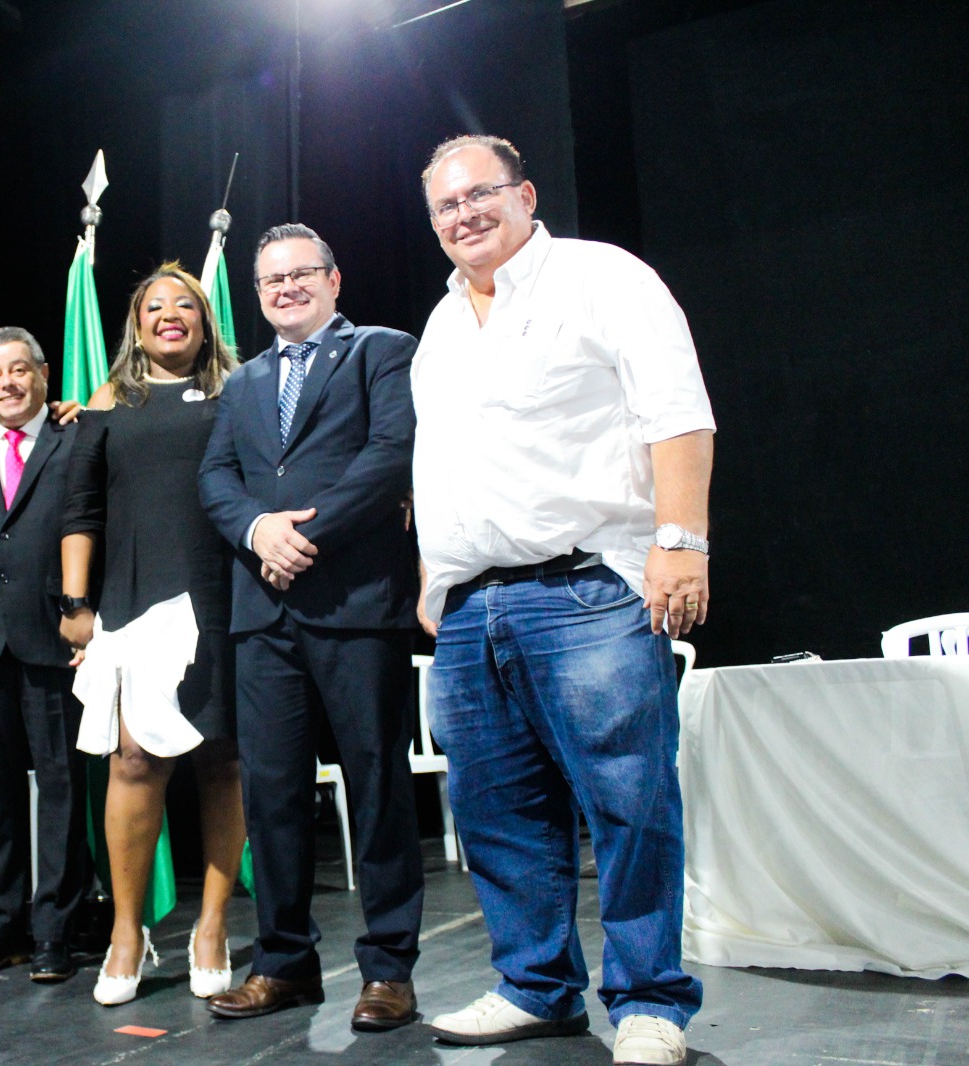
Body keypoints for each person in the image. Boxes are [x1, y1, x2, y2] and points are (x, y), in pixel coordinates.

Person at [412, 135, 713, 1066]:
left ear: (526, 194)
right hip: (471, 607)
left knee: (628, 802)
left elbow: (677, 411)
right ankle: (535, 986)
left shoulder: (602, 278)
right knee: (498, 815)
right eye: (446, 205)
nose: (464, 214)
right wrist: (433, 578)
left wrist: (681, 542)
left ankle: (650, 1001)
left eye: (481, 194)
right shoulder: (442, 323)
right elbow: (442, 460)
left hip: (586, 590)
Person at [199, 224, 425, 1032]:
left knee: (377, 785)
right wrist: (259, 531)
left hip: (357, 605)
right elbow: (216, 476)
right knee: (272, 795)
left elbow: (391, 454)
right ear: (258, 294)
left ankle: (389, 969)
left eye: (302, 274)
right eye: (272, 280)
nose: (287, 287)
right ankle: (284, 963)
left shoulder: (381, 351)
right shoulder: (243, 381)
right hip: (264, 614)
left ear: (334, 278)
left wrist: (304, 537)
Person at [60, 263, 245, 1007]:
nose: (170, 314)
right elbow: (81, 508)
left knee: (222, 760)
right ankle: (127, 933)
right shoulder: (109, 400)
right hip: (134, 600)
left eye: (185, 304)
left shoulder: (240, 392)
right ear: (136, 327)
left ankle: (213, 926)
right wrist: (76, 602)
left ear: (204, 320)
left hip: (223, 596)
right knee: (134, 761)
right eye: (154, 306)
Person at [0, 327, 89, 983]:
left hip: (55, 638)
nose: (8, 383)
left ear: (43, 374)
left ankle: (55, 931)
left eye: (19, 369)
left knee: (60, 788)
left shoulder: (75, 439)